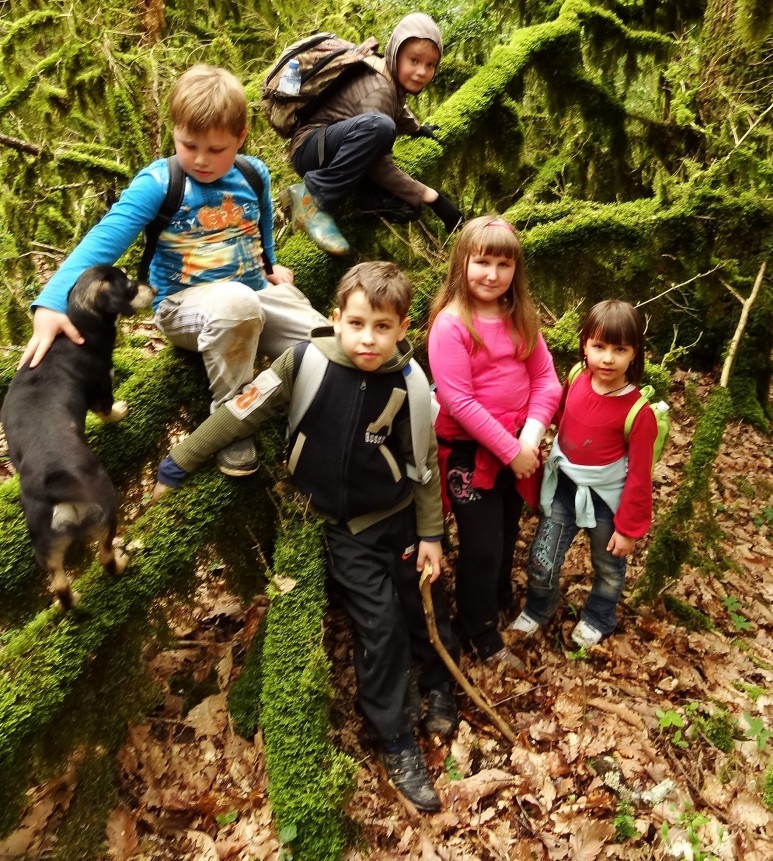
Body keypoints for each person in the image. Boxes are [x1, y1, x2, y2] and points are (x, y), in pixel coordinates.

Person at [155, 261, 460, 813]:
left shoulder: (411, 383)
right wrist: (180, 459)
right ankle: (396, 737)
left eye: (383, 327)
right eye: (357, 323)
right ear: (336, 318)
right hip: (345, 530)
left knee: (425, 601)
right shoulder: (304, 361)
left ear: (403, 328)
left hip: (397, 518)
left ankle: (439, 682)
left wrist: (432, 535)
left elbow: (423, 466)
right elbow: (243, 411)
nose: (368, 339)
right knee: (380, 626)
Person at [18, 64, 327, 476]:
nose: (200, 159)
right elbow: (103, 240)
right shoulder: (160, 183)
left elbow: (262, 221)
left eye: (216, 149)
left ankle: (320, 424)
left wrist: (269, 264)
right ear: (175, 130)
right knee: (237, 303)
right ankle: (230, 422)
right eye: (188, 144)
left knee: (329, 344)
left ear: (240, 136)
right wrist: (50, 304)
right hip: (184, 308)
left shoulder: (254, 174)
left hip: (254, 294)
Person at [427, 216, 561, 665]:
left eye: (504, 264)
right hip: (471, 454)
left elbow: (546, 381)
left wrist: (529, 440)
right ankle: (480, 632)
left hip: (518, 447)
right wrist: (511, 449)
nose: (492, 274)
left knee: (506, 531)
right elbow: (458, 401)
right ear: (462, 263)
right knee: (482, 545)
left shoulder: (518, 317)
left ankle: (498, 597)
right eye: (482, 262)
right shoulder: (451, 324)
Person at [508, 300, 657, 648]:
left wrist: (628, 528)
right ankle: (539, 606)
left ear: (634, 353)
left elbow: (639, 477)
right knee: (542, 558)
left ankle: (598, 616)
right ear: (585, 345)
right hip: (565, 487)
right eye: (599, 346)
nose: (607, 358)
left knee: (608, 566)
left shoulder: (639, 412)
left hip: (607, 501)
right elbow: (559, 414)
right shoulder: (576, 377)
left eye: (620, 350)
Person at [287, 13, 463, 255]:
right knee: (381, 127)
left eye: (430, 65)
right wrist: (433, 197)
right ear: (394, 54)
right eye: (414, 60)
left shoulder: (388, 80)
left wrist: (417, 129)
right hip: (310, 148)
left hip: (331, 149)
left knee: (407, 207)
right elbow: (379, 162)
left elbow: (397, 107)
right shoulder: (378, 88)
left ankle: (358, 198)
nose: (422, 71)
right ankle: (313, 199)